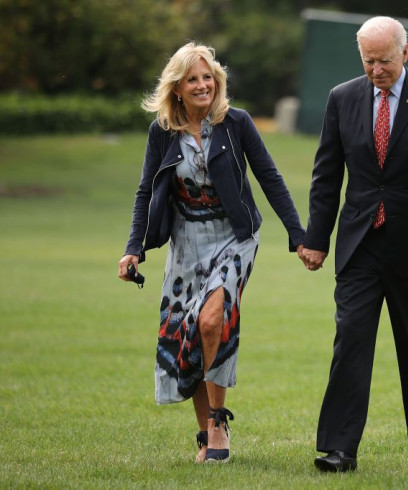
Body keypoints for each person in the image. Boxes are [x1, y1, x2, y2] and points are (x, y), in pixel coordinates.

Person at [298, 16, 408, 471]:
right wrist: (317, 238)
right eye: (369, 61)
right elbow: (326, 175)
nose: (377, 69)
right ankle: (339, 450)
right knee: (350, 341)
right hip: (360, 244)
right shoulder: (342, 98)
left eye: (385, 60)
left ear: (405, 53)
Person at [118, 42, 305, 463]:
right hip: (186, 241)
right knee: (187, 332)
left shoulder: (235, 123)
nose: (203, 85)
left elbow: (270, 177)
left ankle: (219, 420)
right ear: (177, 88)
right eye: (192, 79)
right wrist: (134, 249)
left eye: (208, 77)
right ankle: (205, 432)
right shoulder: (161, 132)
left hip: (235, 237)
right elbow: (146, 190)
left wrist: (298, 234)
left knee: (211, 319)